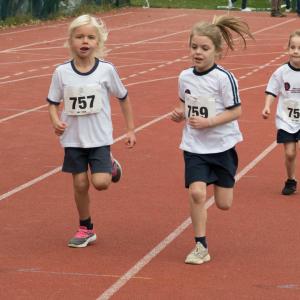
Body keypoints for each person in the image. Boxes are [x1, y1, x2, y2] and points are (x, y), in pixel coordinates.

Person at [47, 14, 136, 248]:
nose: (84, 41)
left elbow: (123, 98)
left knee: (101, 183)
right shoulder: (61, 72)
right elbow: (53, 102)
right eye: (79, 37)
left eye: (90, 37)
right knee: (79, 184)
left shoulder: (106, 70)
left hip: (99, 137)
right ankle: (85, 227)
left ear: (98, 42)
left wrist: (130, 130)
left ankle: (111, 165)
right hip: (73, 138)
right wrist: (55, 120)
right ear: (71, 41)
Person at [171, 15, 253, 264]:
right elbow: (185, 104)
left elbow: (236, 111)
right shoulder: (184, 77)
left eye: (204, 48)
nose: (198, 52)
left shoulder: (224, 79)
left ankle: (222, 182)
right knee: (197, 193)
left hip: (222, 145)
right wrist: (179, 113)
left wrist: (209, 122)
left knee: (224, 203)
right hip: (195, 145)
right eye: (194, 47)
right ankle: (201, 246)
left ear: (217, 51)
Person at [262, 30, 300, 196]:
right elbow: (272, 91)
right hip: (286, 119)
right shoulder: (281, 72)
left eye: (299, 47)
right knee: (290, 153)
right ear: (287, 48)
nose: (296, 51)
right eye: (292, 47)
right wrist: (267, 106)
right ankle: (291, 180)